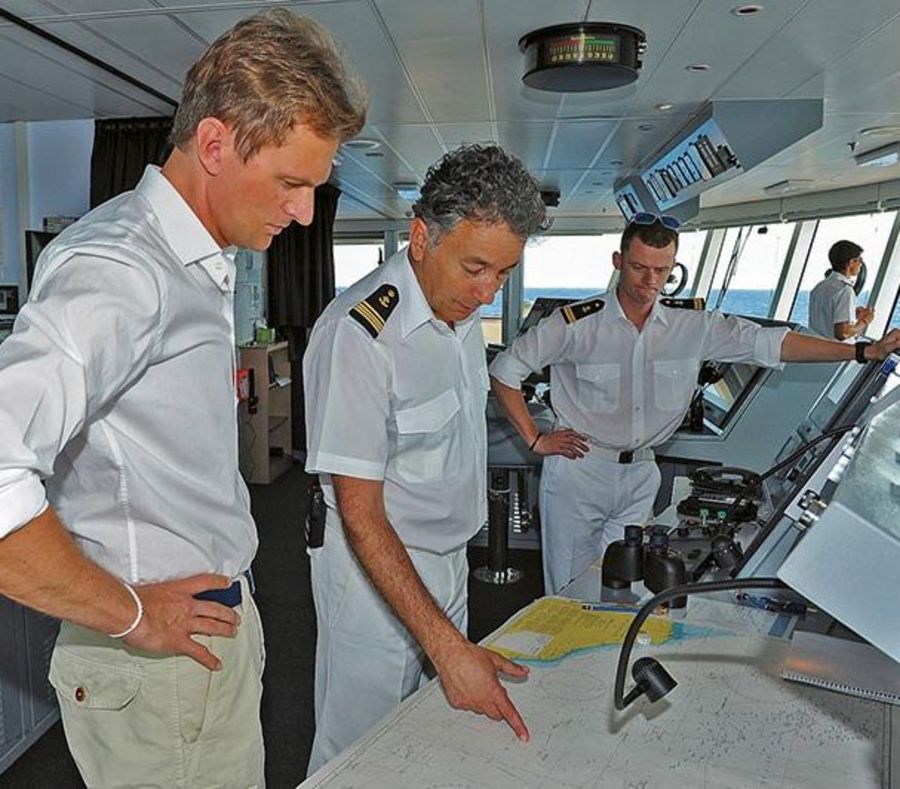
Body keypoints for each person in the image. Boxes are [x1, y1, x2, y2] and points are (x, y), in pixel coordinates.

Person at [0, 10, 365, 788]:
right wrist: (134, 613)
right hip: (158, 659)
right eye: (291, 183)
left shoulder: (189, 260)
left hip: (204, 633)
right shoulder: (123, 269)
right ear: (214, 145)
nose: (304, 212)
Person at [489, 213, 900, 595]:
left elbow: (773, 343)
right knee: (568, 590)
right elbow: (506, 369)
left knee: (622, 587)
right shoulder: (576, 323)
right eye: (639, 267)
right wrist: (535, 440)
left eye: (661, 271)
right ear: (618, 260)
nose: (649, 281)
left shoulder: (692, 325)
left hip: (641, 475)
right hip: (581, 470)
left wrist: (863, 352)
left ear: (673, 269)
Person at [302, 143, 549, 773]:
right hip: (372, 574)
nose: (488, 293)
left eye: (502, 272)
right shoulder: (358, 337)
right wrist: (446, 645)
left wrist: (448, 637)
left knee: (429, 735)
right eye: (476, 268)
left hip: (447, 563)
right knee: (356, 752)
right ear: (420, 238)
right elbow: (360, 514)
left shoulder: (459, 313)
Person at [808, 239, 874, 341]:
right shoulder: (845, 290)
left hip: (817, 350)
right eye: (859, 260)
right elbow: (843, 333)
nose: (861, 264)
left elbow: (825, 318)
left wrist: (851, 313)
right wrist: (866, 320)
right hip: (837, 355)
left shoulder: (819, 287)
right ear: (851, 262)